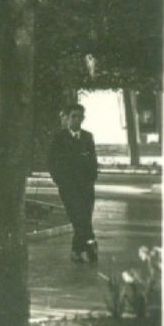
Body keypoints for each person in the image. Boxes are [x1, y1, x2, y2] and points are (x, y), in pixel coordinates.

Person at [48, 103, 99, 263]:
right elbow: (51, 162)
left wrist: (92, 177)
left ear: (83, 118)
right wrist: (60, 180)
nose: (76, 120)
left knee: (85, 218)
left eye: (79, 116)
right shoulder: (59, 138)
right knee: (78, 217)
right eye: (73, 116)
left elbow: (92, 159)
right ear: (67, 118)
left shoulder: (87, 137)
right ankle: (90, 244)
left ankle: (76, 250)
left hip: (86, 186)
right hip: (68, 187)